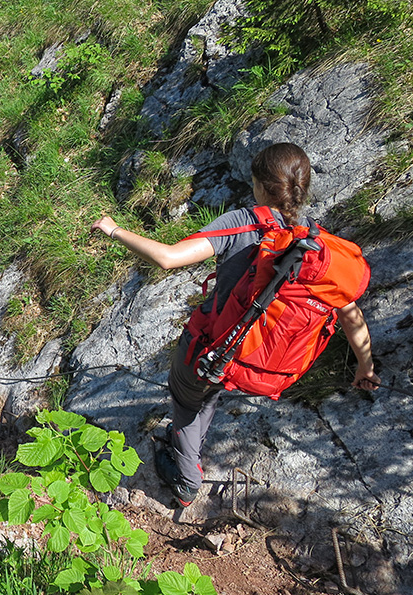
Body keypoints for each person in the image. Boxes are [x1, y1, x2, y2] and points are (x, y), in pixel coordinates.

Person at [91, 143, 379, 507]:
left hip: (211, 347)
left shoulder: (240, 223)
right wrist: (365, 367)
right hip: (257, 354)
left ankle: (186, 481)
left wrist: (114, 229)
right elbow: (351, 316)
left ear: (258, 185)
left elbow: (167, 258)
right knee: (207, 393)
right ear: (302, 189)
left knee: (186, 399)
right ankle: (192, 441)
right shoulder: (315, 246)